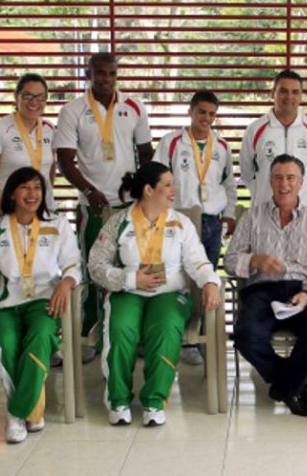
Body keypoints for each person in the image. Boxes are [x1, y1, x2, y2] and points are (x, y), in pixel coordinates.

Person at [87, 161, 222, 426]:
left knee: (166, 325)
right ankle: (119, 400)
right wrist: (129, 278)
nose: (175, 190)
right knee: (120, 327)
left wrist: (210, 282)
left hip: (169, 293)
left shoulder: (181, 223)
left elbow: (198, 262)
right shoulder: (118, 223)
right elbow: (96, 266)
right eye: (168, 185)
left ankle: (154, 401)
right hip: (128, 290)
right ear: (149, 190)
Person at [0, 167, 82, 443]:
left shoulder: (58, 225)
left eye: (38, 188)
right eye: (25, 188)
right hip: (6, 304)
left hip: (45, 300)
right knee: (5, 341)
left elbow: (74, 264)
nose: (33, 194)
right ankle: (29, 411)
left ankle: (17, 412)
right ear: (12, 194)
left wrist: (65, 284)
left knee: (40, 336)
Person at [53, 52, 154, 363]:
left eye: (111, 73)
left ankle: (127, 333)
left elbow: (146, 152)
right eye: (99, 73)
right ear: (89, 73)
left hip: (128, 205)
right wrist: (88, 190)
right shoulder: (72, 110)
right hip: (94, 206)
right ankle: (89, 335)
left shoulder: (134, 106)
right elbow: (64, 160)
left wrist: (140, 188)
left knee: (131, 266)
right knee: (93, 268)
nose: (106, 79)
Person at [224, 155, 307, 417]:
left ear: (301, 183)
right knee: (245, 336)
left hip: (305, 289)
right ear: (270, 181)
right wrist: (254, 260)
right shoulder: (252, 216)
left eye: (290, 178)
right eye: (278, 177)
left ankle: (284, 387)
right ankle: (291, 383)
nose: (283, 184)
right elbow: (230, 261)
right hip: (264, 290)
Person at [154, 90, 238, 365]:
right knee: (177, 278)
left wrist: (229, 215)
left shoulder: (222, 146)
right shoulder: (172, 142)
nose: (206, 118)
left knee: (206, 278)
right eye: (202, 112)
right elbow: (158, 180)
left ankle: (201, 336)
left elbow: (229, 185)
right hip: (178, 220)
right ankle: (177, 336)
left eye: (212, 114)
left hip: (212, 222)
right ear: (190, 111)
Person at [239, 69, 307, 208]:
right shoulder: (255, 130)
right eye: (283, 91)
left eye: (295, 92)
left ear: (301, 95)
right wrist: (261, 194)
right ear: (273, 93)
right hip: (265, 212)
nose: (289, 97)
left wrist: (306, 195)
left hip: (305, 211)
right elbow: (247, 172)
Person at [0, 73, 57, 213]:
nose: (34, 102)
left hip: (45, 211)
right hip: (12, 212)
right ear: (16, 97)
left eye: (40, 97)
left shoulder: (50, 129)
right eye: (28, 96)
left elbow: (50, 171)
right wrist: (5, 215)